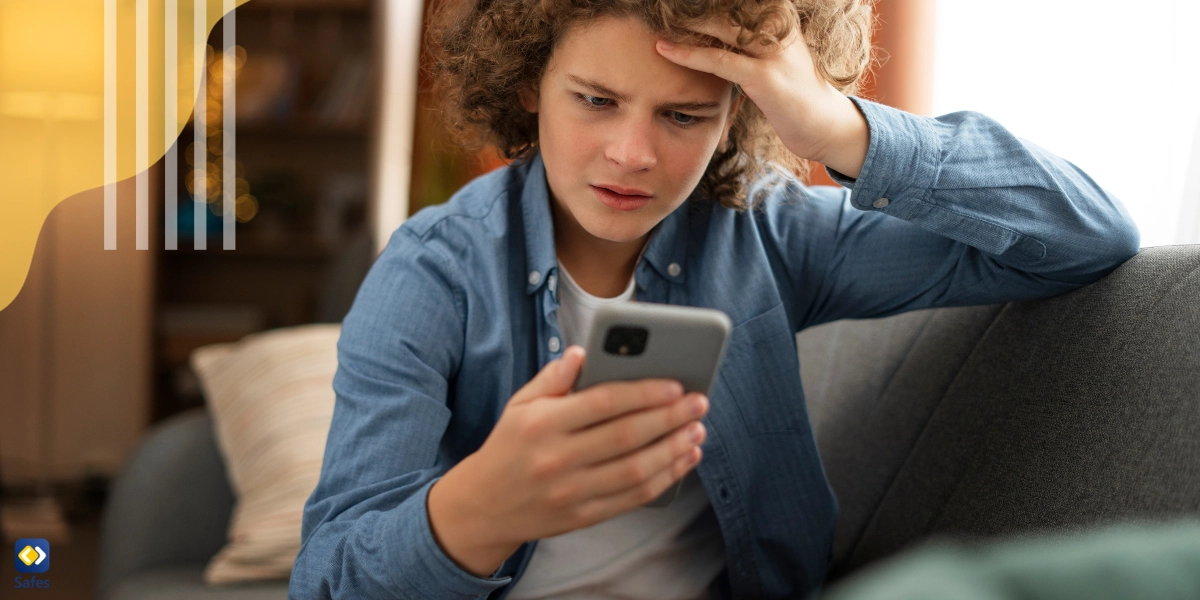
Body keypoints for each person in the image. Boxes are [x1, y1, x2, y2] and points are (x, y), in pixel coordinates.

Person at [289, 0, 1140, 598]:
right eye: (595, 101)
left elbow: (1087, 235)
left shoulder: (766, 233)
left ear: (736, 115)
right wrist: (480, 509)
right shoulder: (430, 274)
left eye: (685, 116)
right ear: (528, 86)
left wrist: (840, 129)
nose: (632, 153)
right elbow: (329, 581)